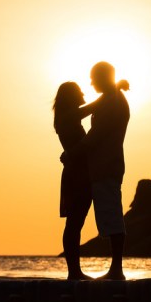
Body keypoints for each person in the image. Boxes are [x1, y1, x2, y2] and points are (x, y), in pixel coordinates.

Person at [63, 62, 130, 280]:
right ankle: (115, 269)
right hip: (103, 167)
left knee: (112, 217)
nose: (91, 83)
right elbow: (89, 113)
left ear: (103, 77)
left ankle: (116, 270)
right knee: (110, 216)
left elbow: (96, 135)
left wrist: (71, 153)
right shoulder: (110, 98)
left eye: (93, 78)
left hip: (106, 166)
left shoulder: (113, 101)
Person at [53, 82, 97, 280]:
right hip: (77, 175)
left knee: (74, 223)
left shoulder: (65, 117)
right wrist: (114, 90)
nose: (82, 93)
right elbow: (94, 106)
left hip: (76, 172)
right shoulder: (69, 116)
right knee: (74, 224)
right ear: (71, 96)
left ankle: (74, 271)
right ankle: (74, 271)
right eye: (78, 91)